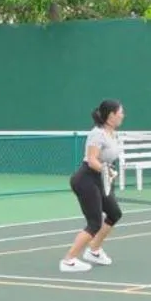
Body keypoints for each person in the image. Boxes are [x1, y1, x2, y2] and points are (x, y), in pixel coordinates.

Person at [60, 99, 126, 273]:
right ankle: (69, 260)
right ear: (111, 115)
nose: (122, 115)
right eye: (120, 112)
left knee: (114, 213)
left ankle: (94, 251)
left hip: (101, 179)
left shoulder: (114, 134)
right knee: (94, 222)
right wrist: (107, 171)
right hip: (86, 180)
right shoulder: (97, 133)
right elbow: (92, 160)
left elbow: (107, 159)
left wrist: (108, 172)